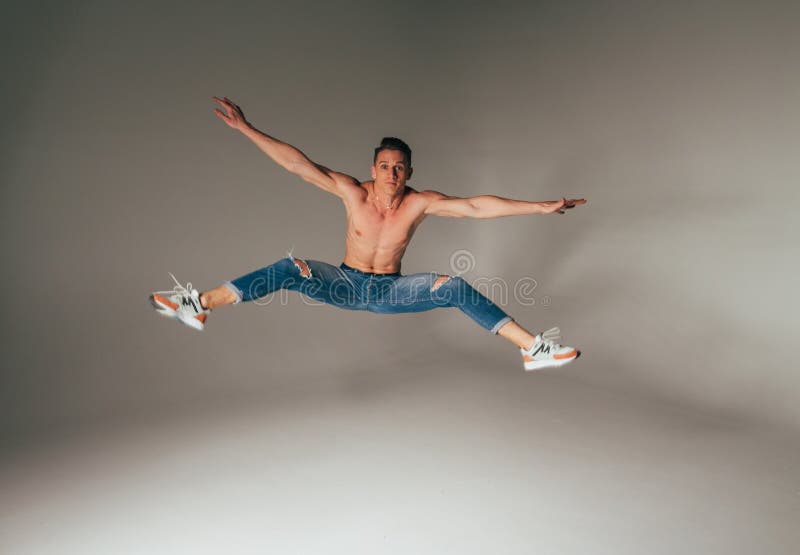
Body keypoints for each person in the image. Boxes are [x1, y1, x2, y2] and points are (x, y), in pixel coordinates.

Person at [150, 96, 587, 371]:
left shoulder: (420, 202)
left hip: (391, 292)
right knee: (289, 267)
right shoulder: (352, 192)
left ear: (409, 172)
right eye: (384, 166)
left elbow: (476, 207)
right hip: (342, 282)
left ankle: (534, 349)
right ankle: (198, 304)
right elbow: (298, 165)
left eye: (399, 167)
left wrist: (541, 206)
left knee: (453, 286)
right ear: (372, 169)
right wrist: (246, 128)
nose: (391, 173)